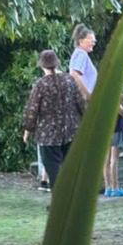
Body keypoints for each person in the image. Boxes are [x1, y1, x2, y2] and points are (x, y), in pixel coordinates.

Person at [22, 50, 85, 190]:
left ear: (41, 65)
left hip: (48, 135)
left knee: (54, 172)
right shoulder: (69, 80)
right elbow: (80, 103)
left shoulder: (41, 84)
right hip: (71, 131)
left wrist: (27, 130)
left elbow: (32, 109)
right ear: (57, 63)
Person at [103, 94, 123, 197]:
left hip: (107, 130)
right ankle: (115, 188)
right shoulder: (112, 97)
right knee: (114, 160)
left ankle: (108, 188)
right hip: (116, 130)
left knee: (106, 160)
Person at [69, 23, 98, 100]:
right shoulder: (82, 54)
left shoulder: (78, 53)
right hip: (82, 99)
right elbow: (74, 74)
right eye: (91, 41)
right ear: (81, 41)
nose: (93, 43)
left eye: (94, 41)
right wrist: (87, 94)